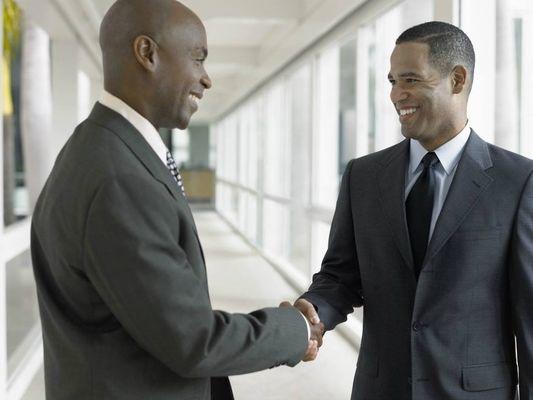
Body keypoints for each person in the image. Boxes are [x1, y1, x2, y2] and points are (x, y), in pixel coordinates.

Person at [30, 1, 323, 399]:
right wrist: (294, 331)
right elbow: (193, 340)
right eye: (198, 59)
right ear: (147, 53)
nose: (207, 80)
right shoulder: (119, 177)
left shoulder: (102, 148)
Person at [293, 21, 533, 400]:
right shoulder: (363, 175)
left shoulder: (519, 181)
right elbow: (341, 275)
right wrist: (315, 309)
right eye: (392, 81)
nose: (396, 95)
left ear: (457, 80)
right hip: (381, 389)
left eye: (410, 80)